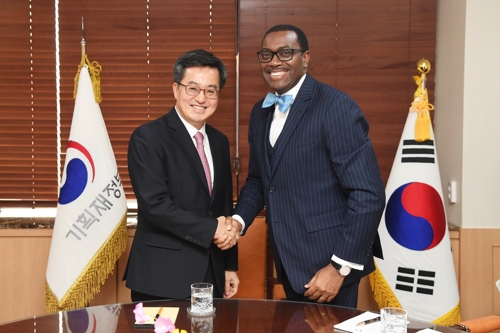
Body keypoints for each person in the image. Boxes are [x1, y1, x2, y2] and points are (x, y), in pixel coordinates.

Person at [229, 24, 385, 308]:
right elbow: (258, 180)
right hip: (288, 261)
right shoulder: (259, 112)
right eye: (266, 54)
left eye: (285, 52)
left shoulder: (335, 106)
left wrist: (339, 268)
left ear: (306, 58)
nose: (274, 61)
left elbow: (368, 194)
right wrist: (237, 222)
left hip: (329, 265)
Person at [123, 49, 239, 302]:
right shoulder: (148, 137)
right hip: (162, 276)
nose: (202, 98)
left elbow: (222, 207)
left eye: (211, 90)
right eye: (192, 88)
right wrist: (212, 228)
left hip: (212, 272)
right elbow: (155, 205)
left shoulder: (219, 141)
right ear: (176, 89)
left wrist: (230, 265)